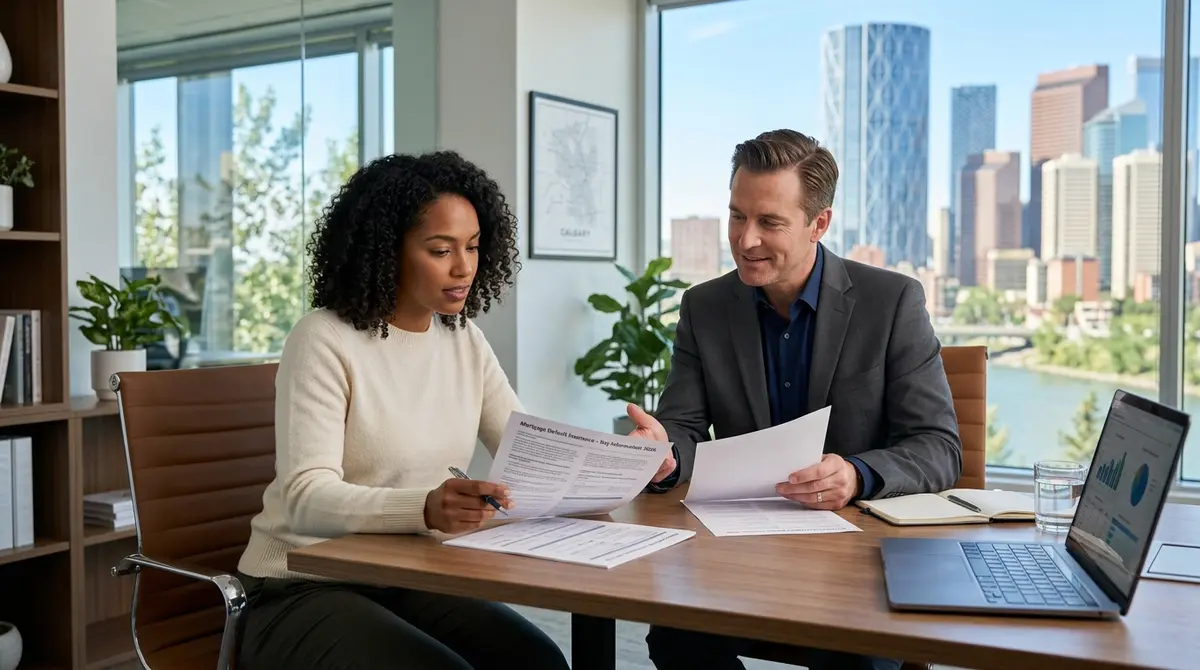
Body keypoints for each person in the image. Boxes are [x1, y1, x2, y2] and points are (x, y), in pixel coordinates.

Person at [629, 129, 963, 670]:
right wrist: (665, 453)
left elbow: (938, 447)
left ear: (819, 223)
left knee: (852, 654)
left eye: (770, 222)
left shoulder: (892, 302)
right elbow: (683, 428)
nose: (746, 239)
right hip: (735, 547)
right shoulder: (704, 307)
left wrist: (855, 473)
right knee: (675, 635)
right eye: (738, 216)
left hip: (855, 555)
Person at [234, 150, 569, 670]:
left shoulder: (464, 339)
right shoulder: (323, 339)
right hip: (300, 586)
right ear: (387, 250)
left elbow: (527, 451)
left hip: (409, 574)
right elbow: (303, 496)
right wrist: (426, 507)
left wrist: (618, 460)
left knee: (537, 662)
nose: (464, 268)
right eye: (441, 250)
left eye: (474, 248)